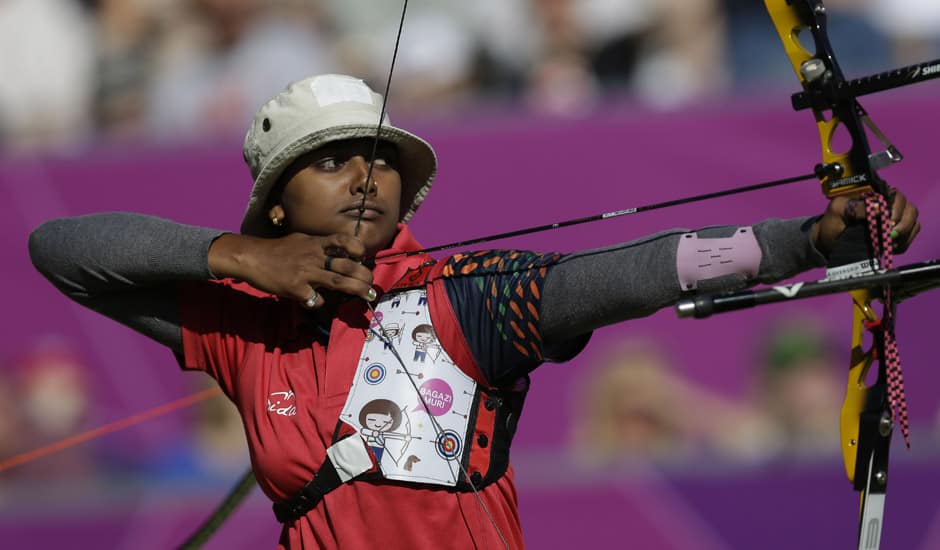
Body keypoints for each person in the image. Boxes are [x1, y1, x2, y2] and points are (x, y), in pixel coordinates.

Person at [28, 73, 920, 549]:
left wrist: (804, 239)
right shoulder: (245, 321)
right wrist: (239, 257)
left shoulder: (460, 302)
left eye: (378, 157)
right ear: (275, 204)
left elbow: (626, 276)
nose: (365, 175)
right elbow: (61, 252)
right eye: (331, 159)